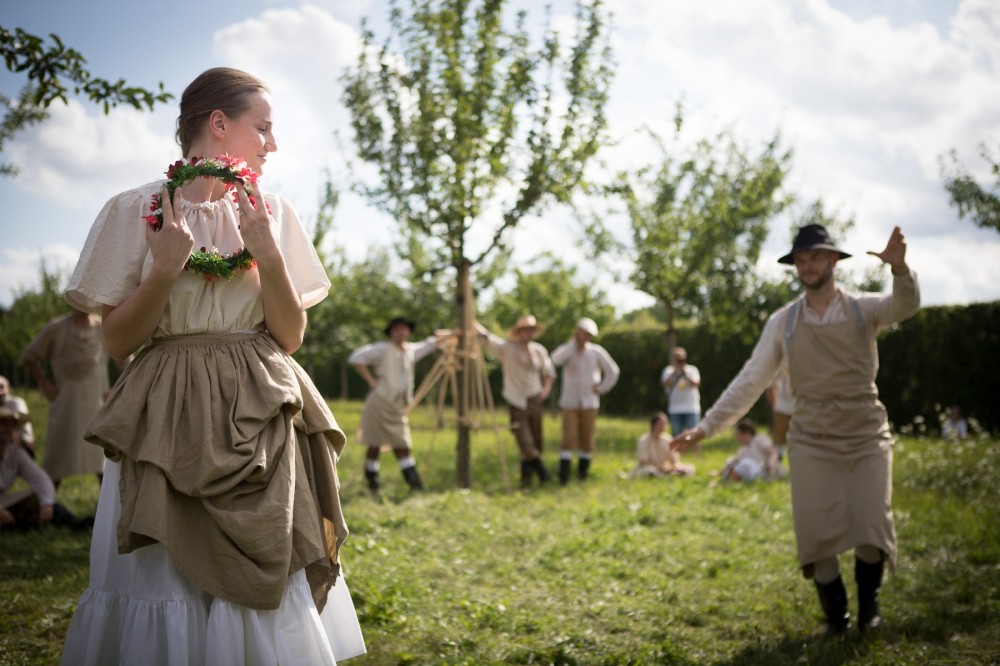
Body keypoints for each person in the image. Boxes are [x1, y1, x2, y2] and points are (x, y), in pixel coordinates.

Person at [58, 67, 365, 665]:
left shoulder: (271, 211)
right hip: (165, 407)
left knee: (263, 554)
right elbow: (117, 341)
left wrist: (267, 253)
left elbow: (290, 336)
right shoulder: (137, 209)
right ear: (219, 124)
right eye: (263, 128)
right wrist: (164, 269)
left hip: (258, 405)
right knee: (163, 570)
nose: (272, 144)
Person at [673, 224, 920, 636]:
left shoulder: (863, 309)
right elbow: (750, 380)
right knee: (816, 535)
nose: (808, 266)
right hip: (811, 439)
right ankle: (837, 620)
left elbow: (905, 305)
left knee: (871, 524)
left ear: (834, 260)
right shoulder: (783, 323)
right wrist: (706, 427)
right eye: (801, 260)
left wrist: (900, 269)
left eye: (816, 257)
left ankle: (870, 610)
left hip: (865, 433)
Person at [349, 317, 446, 493]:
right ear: (391, 332)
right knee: (374, 444)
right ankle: (372, 481)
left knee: (402, 444)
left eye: (404, 328)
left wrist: (453, 334)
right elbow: (356, 358)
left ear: (408, 331)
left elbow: (430, 344)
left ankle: (414, 483)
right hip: (379, 403)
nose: (401, 332)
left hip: (397, 406)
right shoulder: (382, 349)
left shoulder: (410, 350)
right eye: (397, 329)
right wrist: (372, 382)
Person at [22, 307, 111, 488]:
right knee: (57, 455)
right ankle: (47, 499)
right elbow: (30, 356)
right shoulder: (56, 327)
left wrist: (116, 390)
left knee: (101, 457)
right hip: (65, 404)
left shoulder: (104, 326)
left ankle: (107, 502)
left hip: (96, 404)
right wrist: (44, 383)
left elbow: (126, 358)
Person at [477, 315, 555, 489]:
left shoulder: (539, 350)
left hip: (534, 398)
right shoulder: (507, 348)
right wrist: (471, 319)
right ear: (519, 332)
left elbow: (549, 371)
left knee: (536, 442)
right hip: (517, 401)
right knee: (525, 442)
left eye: (530, 330)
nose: (527, 333)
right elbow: (488, 338)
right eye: (524, 330)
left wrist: (545, 391)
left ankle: (526, 481)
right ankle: (544, 475)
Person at [550, 318, 620, 483]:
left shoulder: (596, 352)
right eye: (583, 333)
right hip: (570, 402)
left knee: (587, 438)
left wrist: (602, 388)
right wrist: (572, 345)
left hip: (590, 402)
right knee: (568, 438)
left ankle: (582, 474)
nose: (585, 337)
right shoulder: (568, 350)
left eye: (588, 334)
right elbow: (554, 360)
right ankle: (564, 476)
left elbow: (613, 371)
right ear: (577, 332)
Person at [0, 405, 91, 530]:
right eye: (3, 424)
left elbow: (40, 478)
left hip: (3, 502)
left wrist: (46, 504)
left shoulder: (14, 453)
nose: (8, 429)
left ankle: (74, 523)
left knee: (37, 497)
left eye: (11, 425)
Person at [628, 411, 694, 478]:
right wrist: (659, 467)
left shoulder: (668, 439)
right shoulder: (643, 440)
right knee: (649, 471)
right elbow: (643, 462)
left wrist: (673, 468)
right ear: (653, 425)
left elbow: (675, 461)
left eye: (665, 423)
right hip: (650, 469)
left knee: (690, 468)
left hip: (666, 469)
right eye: (661, 424)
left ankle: (668, 475)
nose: (663, 426)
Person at [718, 419, 785, 483]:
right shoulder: (743, 449)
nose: (736, 438)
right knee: (731, 460)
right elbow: (734, 462)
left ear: (746, 433)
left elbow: (773, 452)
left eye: (738, 435)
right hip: (754, 474)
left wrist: (771, 464)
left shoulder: (759, 440)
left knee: (746, 463)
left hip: (766, 472)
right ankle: (729, 479)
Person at [660, 347, 701, 437]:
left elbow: (696, 384)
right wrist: (675, 372)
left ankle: (694, 448)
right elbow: (664, 384)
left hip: (691, 408)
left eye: (681, 358)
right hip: (675, 409)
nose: (679, 361)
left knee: (694, 436)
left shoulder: (692, 369)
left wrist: (685, 373)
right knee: (676, 436)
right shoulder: (668, 370)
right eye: (677, 359)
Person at [0, 375, 35, 457]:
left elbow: (23, 432)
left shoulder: (16, 403)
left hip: (18, 443)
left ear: (8, 389)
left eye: (1, 387)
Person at [765, 370, 792, 463]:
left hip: (783, 408)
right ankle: (775, 465)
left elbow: (770, 387)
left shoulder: (782, 364)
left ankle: (775, 464)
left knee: (779, 442)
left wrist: (775, 407)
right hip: (790, 408)